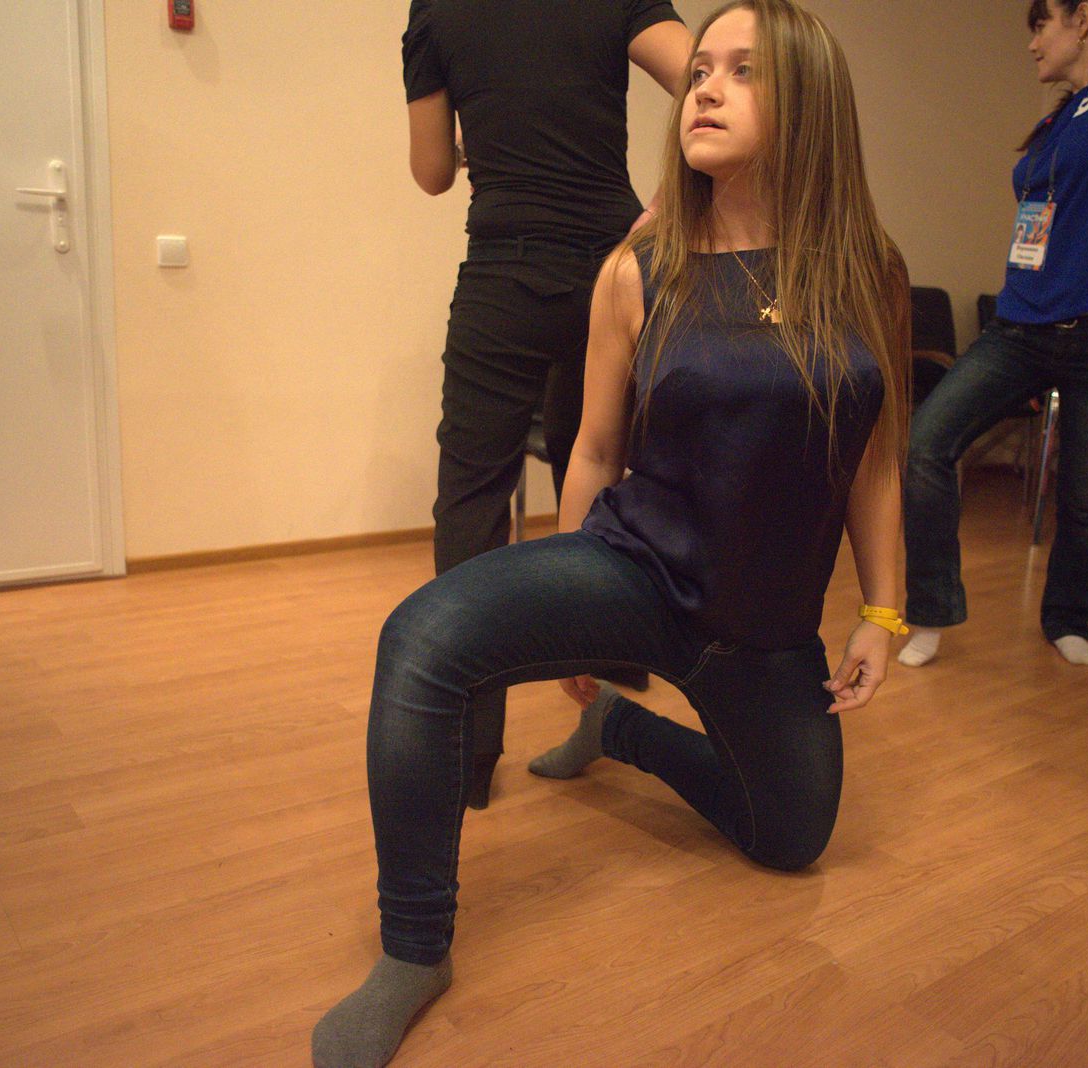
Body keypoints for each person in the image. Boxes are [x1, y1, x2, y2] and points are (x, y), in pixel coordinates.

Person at [314, 2, 909, 1063]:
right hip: (636, 573)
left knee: (791, 840)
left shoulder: (867, 270)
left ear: (812, 99)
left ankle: (622, 737)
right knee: (420, 638)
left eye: (743, 71)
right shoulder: (639, 268)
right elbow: (591, 450)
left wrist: (883, 611)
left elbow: (875, 457)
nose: (705, 88)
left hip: (765, 629)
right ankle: (413, 949)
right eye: (701, 69)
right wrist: (572, 615)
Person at [403, 0, 692, 808]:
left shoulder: (436, 7)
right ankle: (610, 679)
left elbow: (431, 171)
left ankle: (467, 759)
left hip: (507, 269)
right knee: (601, 469)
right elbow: (707, 73)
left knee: (472, 503)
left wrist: (489, 132)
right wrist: (670, 208)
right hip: (616, 262)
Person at [899, 0, 1088, 669]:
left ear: (1083, 20)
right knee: (926, 444)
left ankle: (1068, 619)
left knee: (1084, 497)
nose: (1032, 44)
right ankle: (932, 611)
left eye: (1041, 25)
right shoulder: (1059, 118)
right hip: (1020, 329)